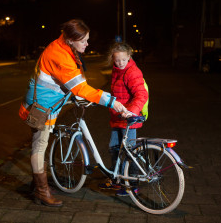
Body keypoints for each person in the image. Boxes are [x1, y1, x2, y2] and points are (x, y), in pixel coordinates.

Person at [19, 19, 130, 207]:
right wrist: (112, 102)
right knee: (39, 146)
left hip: (49, 104)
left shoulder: (63, 47)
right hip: (41, 108)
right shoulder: (59, 55)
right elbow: (80, 87)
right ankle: (41, 191)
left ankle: (36, 185)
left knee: (42, 145)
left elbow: (70, 81)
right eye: (84, 40)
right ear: (71, 39)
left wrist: (78, 95)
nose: (87, 44)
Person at [98, 42, 148, 196]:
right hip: (117, 118)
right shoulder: (116, 71)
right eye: (116, 60)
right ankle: (117, 179)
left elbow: (141, 95)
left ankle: (132, 184)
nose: (119, 63)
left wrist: (131, 111)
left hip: (129, 120)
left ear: (129, 57)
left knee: (129, 152)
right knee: (114, 149)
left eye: (123, 60)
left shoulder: (132, 72)